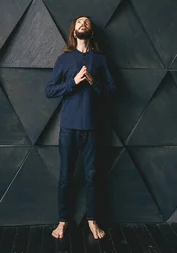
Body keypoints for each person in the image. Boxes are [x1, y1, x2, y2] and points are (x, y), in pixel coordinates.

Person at [44, 16, 116, 240]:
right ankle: (63, 221)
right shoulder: (64, 60)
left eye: (86, 22)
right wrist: (73, 82)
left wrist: (94, 83)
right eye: (78, 22)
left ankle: (93, 221)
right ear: (73, 32)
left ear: (91, 31)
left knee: (93, 176)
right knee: (66, 176)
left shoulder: (101, 59)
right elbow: (49, 91)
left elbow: (113, 91)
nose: (83, 23)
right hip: (68, 128)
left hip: (93, 128)